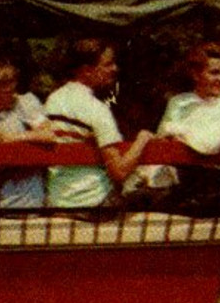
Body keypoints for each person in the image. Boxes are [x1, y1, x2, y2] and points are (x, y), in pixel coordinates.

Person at [43, 38, 152, 209]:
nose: (114, 68)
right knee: (160, 195)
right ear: (86, 70)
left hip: (58, 200)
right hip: (95, 202)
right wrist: (143, 139)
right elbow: (119, 172)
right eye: (107, 64)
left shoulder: (53, 99)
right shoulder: (96, 109)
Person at [131, 41, 220, 204]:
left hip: (219, 183)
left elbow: (210, 145)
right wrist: (187, 136)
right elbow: (163, 144)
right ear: (195, 75)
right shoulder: (179, 102)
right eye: (214, 73)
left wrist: (176, 130)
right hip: (181, 179)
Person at [0, 52, 57, 209]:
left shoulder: (25, 102)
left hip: (23, 198)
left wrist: (9, 138)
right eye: (3, 84)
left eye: (13, 81)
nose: (11, 88)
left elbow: (49, 134)